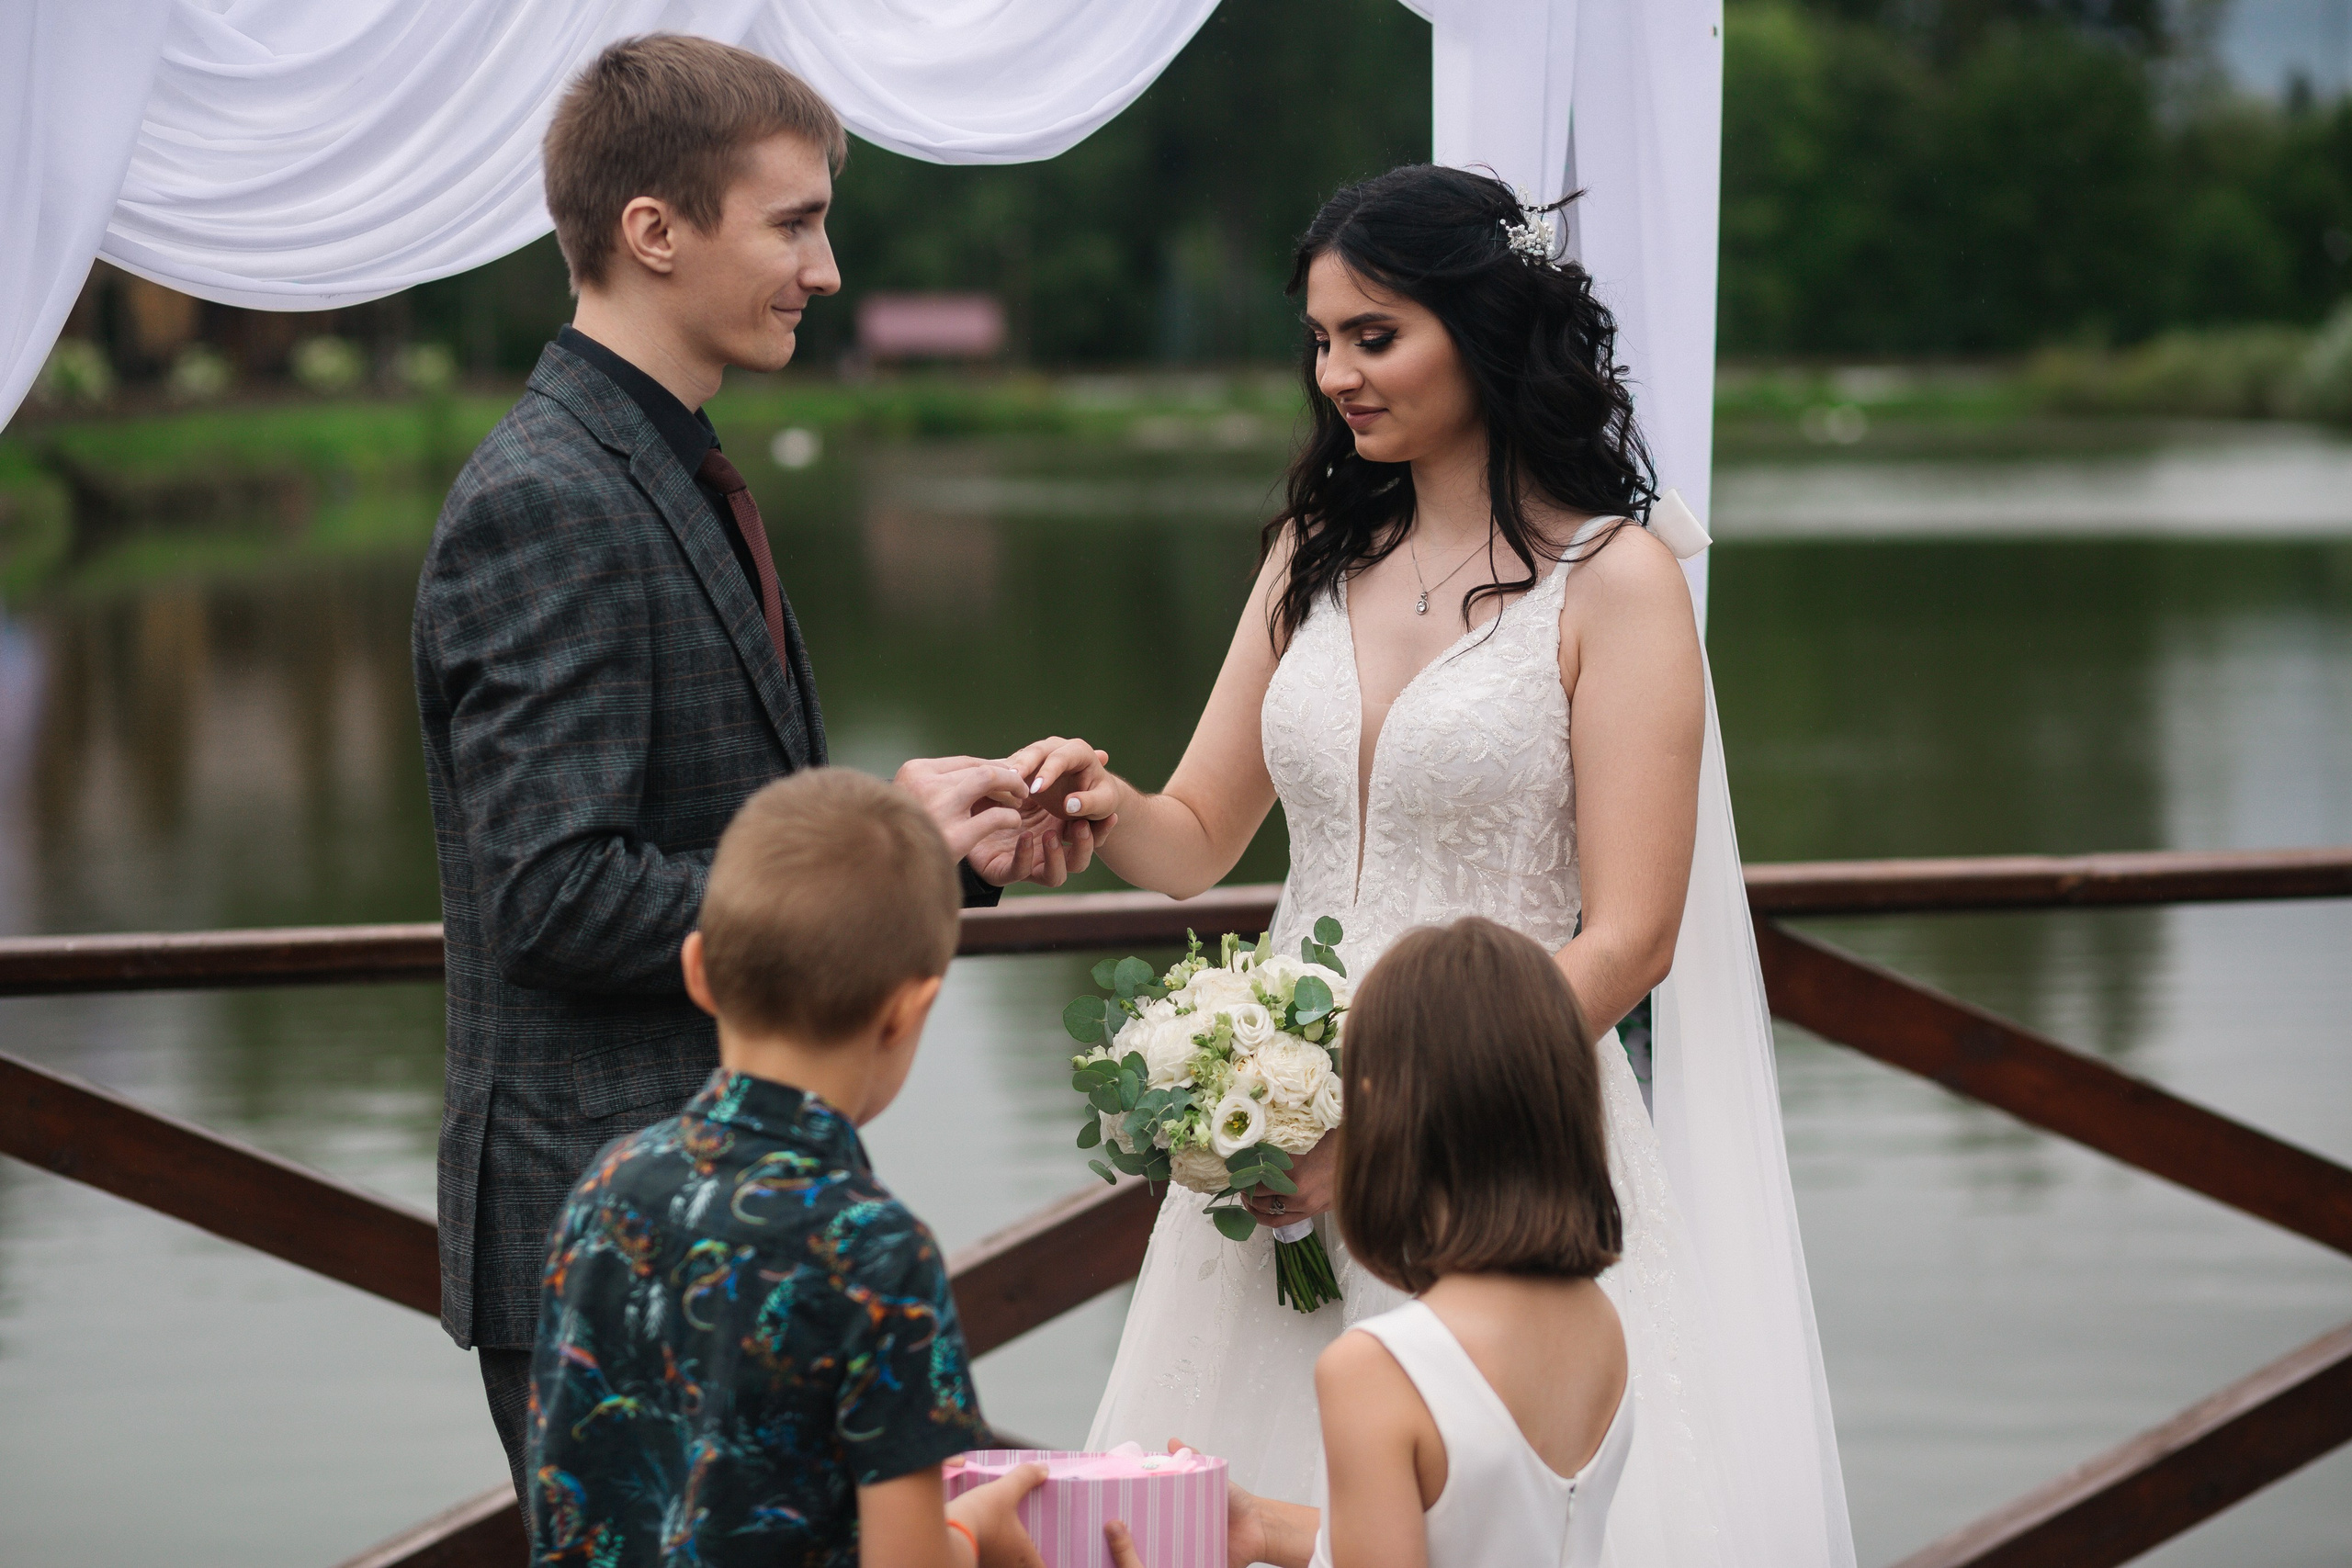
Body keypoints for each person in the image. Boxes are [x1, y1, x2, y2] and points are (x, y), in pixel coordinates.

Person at [1051, 164, 1854, 1564]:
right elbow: (1193, 837)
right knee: (1218, 1506)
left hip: (1502, 1138)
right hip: (1273, 1145)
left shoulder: (1618, 580)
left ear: (1483, 329)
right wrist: (1094, 796)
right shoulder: (1313, 548)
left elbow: (1632, 936)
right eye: (1319, 338)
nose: (1338, 374)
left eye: (1376, 334)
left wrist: (1395, 1123)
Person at [412, 34, 1101, 1495]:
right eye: (794, 221)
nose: (828, 267)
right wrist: (886, 844)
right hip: (621, 1240)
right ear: (653, 232)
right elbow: (557, 891)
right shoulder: (548, 498)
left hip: (733, 1226)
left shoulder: (660, 461)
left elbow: (710, 834)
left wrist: (925, 854)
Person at [528, 769, 1049, 1568]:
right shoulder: (878, 1252)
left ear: (698, 969)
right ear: (910, 1009)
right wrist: (978, 1533)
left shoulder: (603, 1190)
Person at [1107, 919, 1634, 1568]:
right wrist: (1266, 1529)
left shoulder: (1378, 1369)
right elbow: (1476, 1528)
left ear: (1384, 1117)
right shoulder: (1595, 1322)